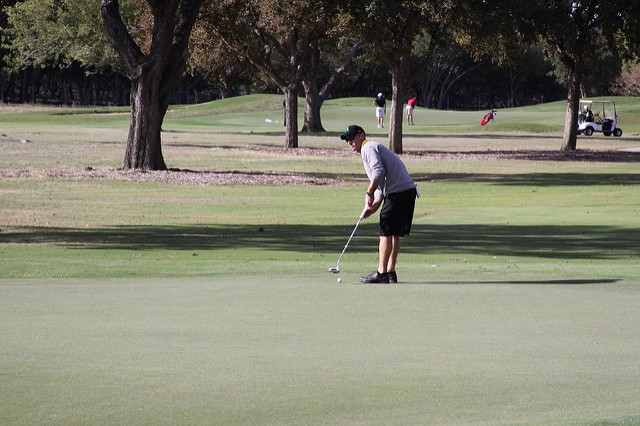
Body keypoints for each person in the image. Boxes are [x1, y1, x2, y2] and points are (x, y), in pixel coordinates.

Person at [340, 124, 418, 283]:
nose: (349, 142)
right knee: (394, 233)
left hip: (398, 192)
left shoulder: (367, 147)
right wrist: (373, 206)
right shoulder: (370, 148)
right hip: (406, 191)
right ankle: (390, 272)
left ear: (361, 135)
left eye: (352, 138)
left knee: (386, 231)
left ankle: (381, 273)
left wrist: (368, 192)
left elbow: (378, 173)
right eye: (347, 140)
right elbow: (381, 183)